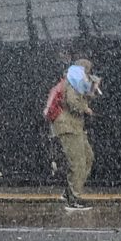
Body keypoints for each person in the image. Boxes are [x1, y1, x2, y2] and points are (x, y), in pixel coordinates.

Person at [44, 61, 99, 210]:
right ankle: (73, 199)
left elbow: (84, 97)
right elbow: (73, 102)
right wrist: (86, 109)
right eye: (88, 71)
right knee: (78, 162)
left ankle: (69, 192)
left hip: (75, 126)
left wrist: (92, 88)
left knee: (88, 157)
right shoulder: (73, 82)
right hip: (68, 126)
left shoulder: (75, 82)